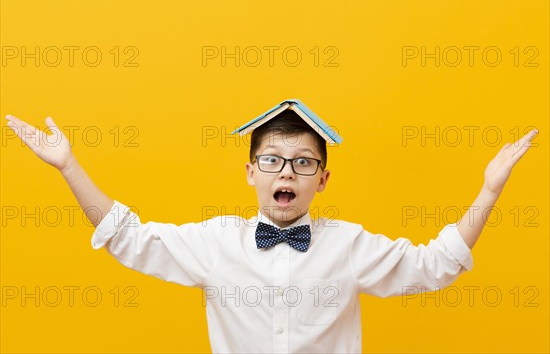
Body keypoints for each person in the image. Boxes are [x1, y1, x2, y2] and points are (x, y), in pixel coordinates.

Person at [4, 107, 538, 354]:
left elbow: (434, 266)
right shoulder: (215, 243)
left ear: (323, 179)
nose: (288, 172)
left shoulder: (349, 245)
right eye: (274, 161)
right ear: (251, 173)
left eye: (303, 163)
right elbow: (127, 237)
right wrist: (68, 167)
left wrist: (488, 192)